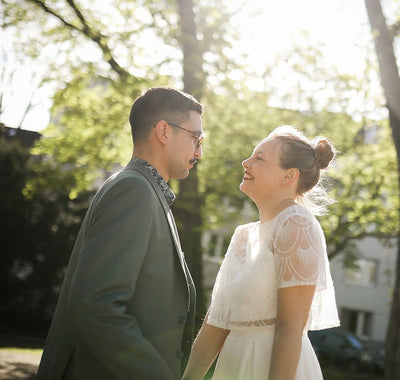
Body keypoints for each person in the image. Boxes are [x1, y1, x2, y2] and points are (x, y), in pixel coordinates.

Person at [36, 86, 204, 380]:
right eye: (195, 138)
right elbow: (97, 305)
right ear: (164, 132)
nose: (199, 151)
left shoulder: (147, 193)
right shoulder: (134, 190)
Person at [182, 125, 340, 380]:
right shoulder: (243, 236)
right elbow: (216, 323)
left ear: (288, 176)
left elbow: (290, 329)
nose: (246, 162)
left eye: (259, 158)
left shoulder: (296, 224)